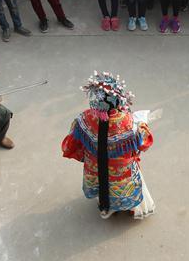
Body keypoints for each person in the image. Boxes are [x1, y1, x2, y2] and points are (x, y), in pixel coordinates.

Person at [61, 71, 154, 219]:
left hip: (95, 167)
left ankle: (105, 206)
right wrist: (142, 122)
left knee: (101, 181)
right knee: (123, 184)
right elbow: (145, 142)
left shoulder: (84, 118)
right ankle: (127, 207)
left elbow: (72, 143)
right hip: (121, 171)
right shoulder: (129, 123)